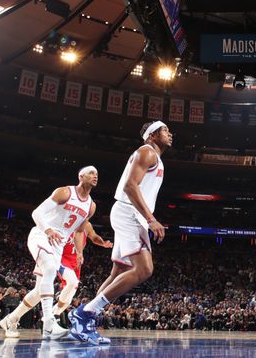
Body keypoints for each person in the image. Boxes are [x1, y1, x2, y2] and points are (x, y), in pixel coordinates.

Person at [70, 121, 172, 345]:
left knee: (120, 271)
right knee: (144, 270)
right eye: (165, 130)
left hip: (128, 213)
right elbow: (129, 186)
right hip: (130, 213)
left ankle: (85, 321)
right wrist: (151, 218)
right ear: (152, 135)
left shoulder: (153, 156)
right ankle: (84, 314)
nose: (170, 134)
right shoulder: (147, 152)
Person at [0, 166, 99, 339]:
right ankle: (49, 323)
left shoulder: (91, 206)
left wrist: (79, 253)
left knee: (39, 290)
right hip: (41, 235)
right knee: (51, 269)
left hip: (58, 245)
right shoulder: (65, 192)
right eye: (91, 173)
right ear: (81, 176)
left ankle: (11, 319)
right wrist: (48, 230)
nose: (95, 176)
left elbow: (79, 231)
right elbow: (37, 213)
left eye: (97, 174)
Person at [53, 222, 113, 323]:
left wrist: (103, 243)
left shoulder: (87, 225)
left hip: (76, 262)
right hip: (62, 258)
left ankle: (51, 316)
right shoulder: (66, 220)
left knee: (70, 295)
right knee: (72, 282)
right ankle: (53, 316)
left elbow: (94, 237)